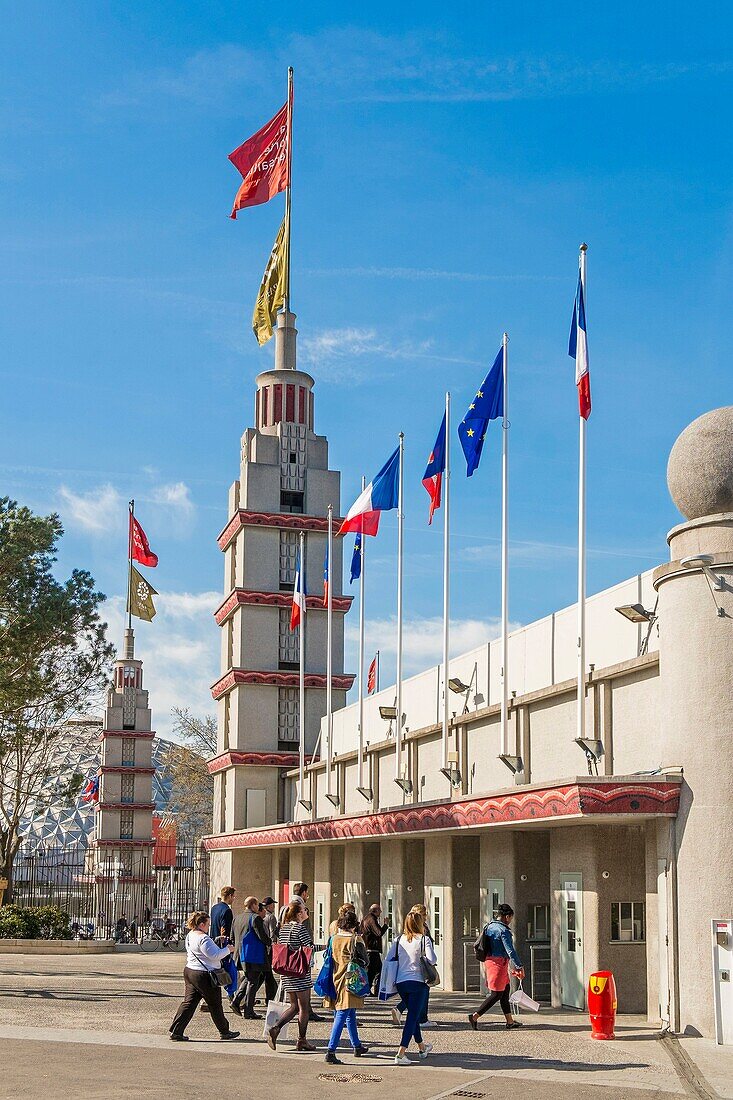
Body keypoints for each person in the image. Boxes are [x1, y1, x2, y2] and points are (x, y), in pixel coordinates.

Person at [168, 911, 240, 1042]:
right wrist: (228, 949)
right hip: (204, 975)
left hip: (190, 971)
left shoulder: (190, 935)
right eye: (208, 924)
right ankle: (224, 1031)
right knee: (215, 1004)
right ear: (201, 924)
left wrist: (217, 942)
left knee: (189, 1003)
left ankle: (176, 1030)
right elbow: (214, 955)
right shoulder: (203, 938)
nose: (209, 926)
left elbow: (205, 952)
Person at [266, 902, 316, 1053]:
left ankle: (276, 1028)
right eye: (304, 910)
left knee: (293, 1006)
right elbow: (309, 947)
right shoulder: (300, 928)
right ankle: (301, 1039)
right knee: (304, 1007)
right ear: (299, 914)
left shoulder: (284, 928)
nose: (306, 912)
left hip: (287, 970)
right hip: (300, 971)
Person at [323, 910, 370, 1064]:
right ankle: (331, 1050)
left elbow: (327, 956)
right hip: (351, 979)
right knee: (342, 1014)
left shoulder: (333, 939)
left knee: (350, 1013)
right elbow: (365, 961)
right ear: (353, 924)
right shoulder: (356, 940)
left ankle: (357, 1045)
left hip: (335, 977)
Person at [468, 903, 525, 1031]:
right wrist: (519, 966)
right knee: (496, 994)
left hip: (491, 961)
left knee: (505, 991)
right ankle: (475, 1016)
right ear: (507, 916)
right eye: (511, 918)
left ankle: (510, 1021)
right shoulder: (503, 930)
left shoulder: (489, 926)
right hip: (498, 964)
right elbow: (510, 950)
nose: (511, 921)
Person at [392, 910, 436, 1065]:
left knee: (413, 1015)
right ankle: (400, 1053)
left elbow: (389, 958)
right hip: (418, 982)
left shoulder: (399, 939)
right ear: (420, 924)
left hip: (401, 982)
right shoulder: (424, 940)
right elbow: (432, 959)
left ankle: (422, 1047)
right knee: (412, 1017)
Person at [232, 895, 276, 1019]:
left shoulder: (237, 918)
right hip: (253, 954)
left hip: (240, 954)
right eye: (257, 905)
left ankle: (236, 1001)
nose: (259, 907)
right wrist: (270, 943)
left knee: (249, 978)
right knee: (253, 982)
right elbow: (262, 936)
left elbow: (232, 937)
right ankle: (248, 1010)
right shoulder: (255, 918)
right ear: (253, 905)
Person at [361, 903, 388, 995]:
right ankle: (371, 990)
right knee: (375, 971)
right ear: (375, 911)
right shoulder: (371, 919)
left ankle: (373, 990)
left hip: (369, 948)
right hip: (372, 950)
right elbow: (379, 933)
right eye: (379, 910)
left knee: (375, 971)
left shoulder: (366, 918)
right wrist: (385, 925)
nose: (380, 912)